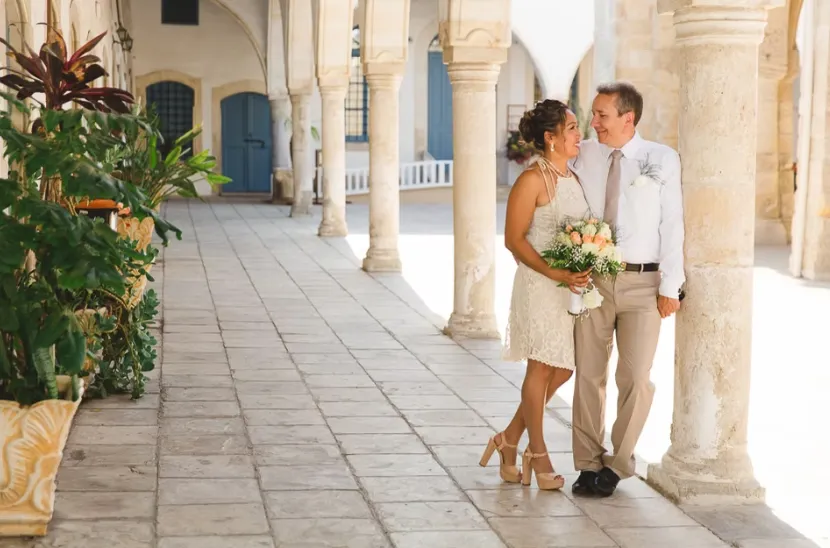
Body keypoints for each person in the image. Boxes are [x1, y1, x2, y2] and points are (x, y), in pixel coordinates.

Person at [569, 81, 684, 497]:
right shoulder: (583, 153)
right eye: (594, 114)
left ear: (627, 118)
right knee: (589, 374)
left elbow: (672, 225)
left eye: (601, 115)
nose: (593, 122)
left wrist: (672, 285)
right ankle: (586, 462)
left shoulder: (661, 159)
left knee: (636, 377)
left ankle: (617, 465)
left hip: (643, 283)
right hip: (593, 278)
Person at [479, 99, 591, 490]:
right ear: (551, 138)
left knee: (563, 368)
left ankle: (509, 439)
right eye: (573, 128)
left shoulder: (574, 177)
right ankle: (537, 453)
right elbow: (513, 240)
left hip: (569, 290)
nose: (580, 134)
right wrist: (556, 271)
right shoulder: (531, 180)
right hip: (540, 284)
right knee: (540, 368)